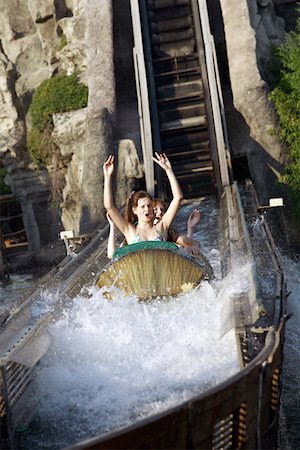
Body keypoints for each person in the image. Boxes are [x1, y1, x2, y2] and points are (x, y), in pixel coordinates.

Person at [103, 153, 183, 247]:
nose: (147, 209)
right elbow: (109, 207)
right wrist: (107, 176)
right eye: (142, 206)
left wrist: (168, 170)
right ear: (134, 210)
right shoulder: (129, 231)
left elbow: (178, 198)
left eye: (149, 206)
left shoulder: (162, 227)